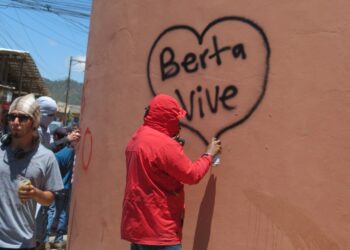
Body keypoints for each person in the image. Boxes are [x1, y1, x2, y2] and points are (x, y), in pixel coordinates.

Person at [121, 94, 221, 250]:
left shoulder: (137, 137)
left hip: (137, 228)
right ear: (167, 119)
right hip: (160, 231)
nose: (178, 124)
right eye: (176, 119)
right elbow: (192, 175)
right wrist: (209, 154)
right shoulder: (165, 145)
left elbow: (154, 166)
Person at [0, 94, 63, 250]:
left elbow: (49, 199)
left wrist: (35, 193)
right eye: (12, 117)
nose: (15, 122)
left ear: (34, 122)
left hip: (22, 243)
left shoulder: (46, 157)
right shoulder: (1, 150)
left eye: (22, 118)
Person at [44, 127, 78, 250]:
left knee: (51, 212)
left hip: (55, 187)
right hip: (66, 186)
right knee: (63, 213)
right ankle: (59, 239)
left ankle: (46, 239)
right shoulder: (72, 153)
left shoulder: (58, 155)